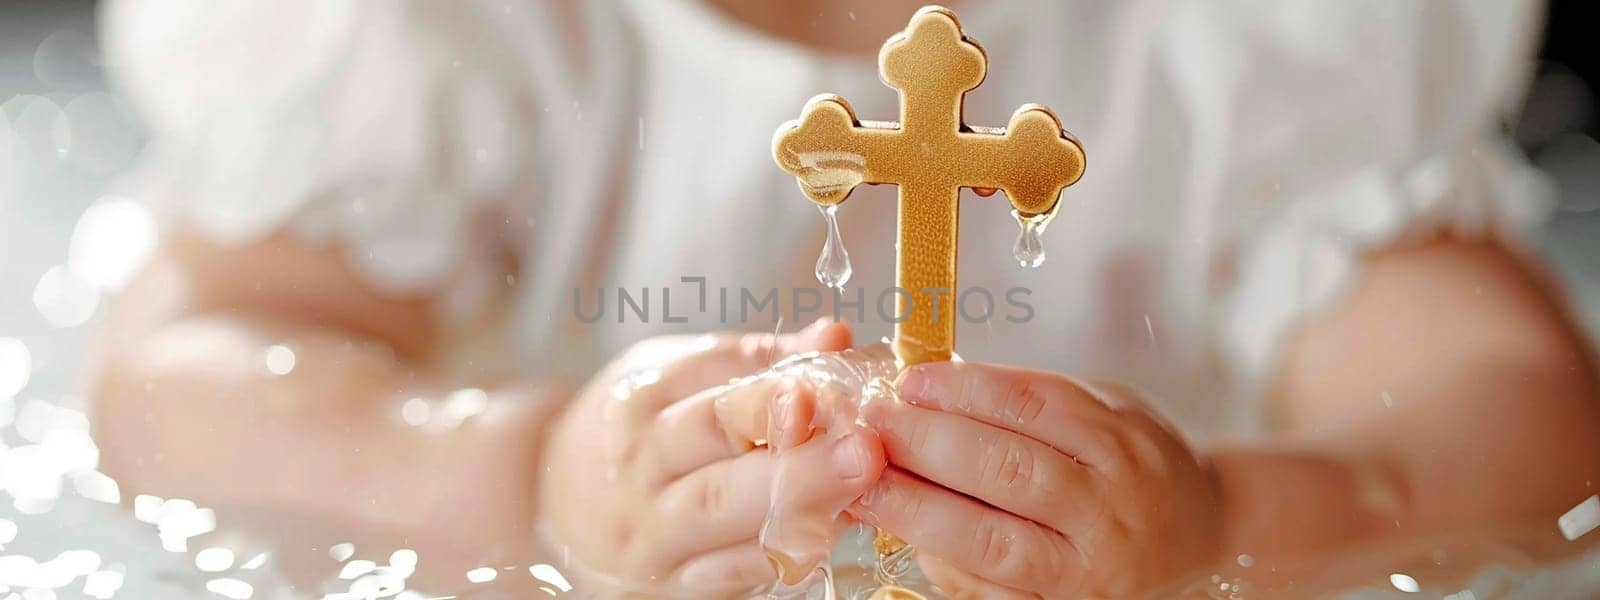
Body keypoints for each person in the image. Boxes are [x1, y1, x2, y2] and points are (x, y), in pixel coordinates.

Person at [89, 0, 1600, 597]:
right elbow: (182, 382)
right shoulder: (444, 38)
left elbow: (1517, 424)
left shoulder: (1242, 47)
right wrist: (518, 467)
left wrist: (1229, 520)